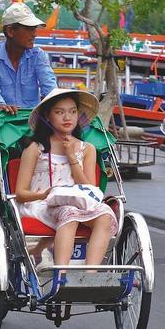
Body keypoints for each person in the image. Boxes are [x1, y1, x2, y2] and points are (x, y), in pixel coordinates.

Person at [14, 88, 117, 270]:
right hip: (42, 203)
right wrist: (43, 194)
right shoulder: (35, 148)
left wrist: (72, 157)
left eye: (72, 111)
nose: (67, 117)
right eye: (59, 112)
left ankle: (89, 274)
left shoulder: (87, 149)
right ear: (47, 117)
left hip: (78, 202)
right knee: (69, 213)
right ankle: (61, 275)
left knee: (105, 215)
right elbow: (20, 193)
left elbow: (90, 190)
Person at [0, 2, 57, 146]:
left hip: (31, 125)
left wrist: (55, 102)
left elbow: (49, 85)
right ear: (10, 31)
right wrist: (0, 105)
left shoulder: (38, 55)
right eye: (29, 29)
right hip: (1, 125)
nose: (35, 33)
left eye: (35, 29)